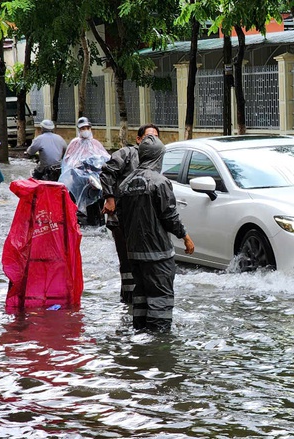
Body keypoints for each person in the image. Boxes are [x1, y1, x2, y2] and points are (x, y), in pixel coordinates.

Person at [117, 134, 194, 332]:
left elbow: (122, 220)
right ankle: (159, 343)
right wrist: (185, 237)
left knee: (140, 296)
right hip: (158, 254)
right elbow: (170, 217)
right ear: (158, 157)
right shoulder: (160, 183)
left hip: (135, 254)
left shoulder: (125, 184)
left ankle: (141, 335)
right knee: (161, 298)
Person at [100, 124, 160, 304]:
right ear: (139, 139)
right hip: (123, 216)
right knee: (127, 260)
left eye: (156, 137)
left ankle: (142, 299)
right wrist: (109, 198)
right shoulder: (127, 153)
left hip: (144, 220)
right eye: (149, 137)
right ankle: (127, 299)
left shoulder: (157, 159)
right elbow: (107, 172)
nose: (152, 141)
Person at [58, 116, 110, 225]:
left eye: (87, 128)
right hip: (78, 177)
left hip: (93, 176)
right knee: (73, 196)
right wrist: (76, 164)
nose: (85, 130)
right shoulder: (74, 143)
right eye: (83, 128)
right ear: (79, 130)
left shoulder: (95, 143)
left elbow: (104, 156)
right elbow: (68, 159)